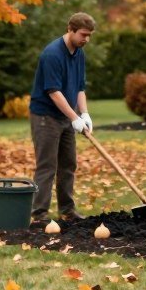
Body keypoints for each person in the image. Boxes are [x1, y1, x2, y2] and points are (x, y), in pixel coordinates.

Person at [28, 12, 96, 225]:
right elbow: (54, 92)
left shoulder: (79, 53)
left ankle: (67, 210)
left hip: (67, 115)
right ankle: (39, 214)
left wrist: (84, 114)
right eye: (83, 34)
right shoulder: (52, 54)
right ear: (71, 29)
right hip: (45, 116)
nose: (86, 39)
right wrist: (74, 117)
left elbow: (80, 87)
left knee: (68, 164)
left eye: (89, 35)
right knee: (47, 165)